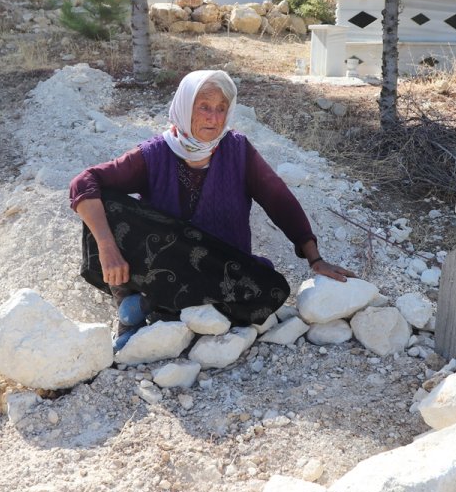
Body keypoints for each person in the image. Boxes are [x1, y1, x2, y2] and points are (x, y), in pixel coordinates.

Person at [69, 70, 355, 347]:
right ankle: (136, 305)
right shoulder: (154, 154)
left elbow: (278, 199)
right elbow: (84, 182)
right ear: (184, 107)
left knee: (273, 290)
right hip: (165, 259)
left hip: (217, 265)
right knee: (102, 200)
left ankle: (152, 306)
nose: (214, 117)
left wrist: (314, 258)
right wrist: (107, 247)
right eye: (204, 106)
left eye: (221, 108)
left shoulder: (238, 151)